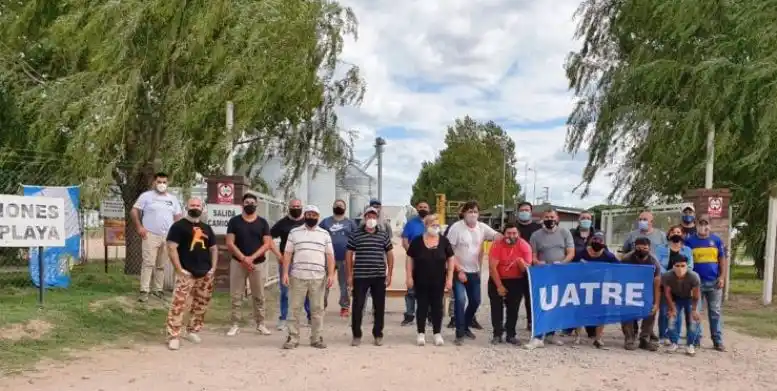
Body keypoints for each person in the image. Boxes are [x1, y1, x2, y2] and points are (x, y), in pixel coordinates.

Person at [164, 198, 217, 350]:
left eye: (198, 205)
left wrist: (212, 268)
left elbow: (213, 249)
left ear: (202, 208)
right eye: (192, 205)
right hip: (186, 274)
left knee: (201, 304)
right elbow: (171, 248)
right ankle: (173, 335)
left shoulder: (206, 228)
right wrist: (179, 269)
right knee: (179, 304)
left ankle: (192, 330)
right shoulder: (178, 226)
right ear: (187, 207)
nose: (195, 207)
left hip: (205, 273)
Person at [445, 200, 500, 346]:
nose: (473, 214)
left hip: (474, 271)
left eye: (475, 211)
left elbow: (496, 236)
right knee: (461, 300)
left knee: (476, 301)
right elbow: (449, 252)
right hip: (459, 271)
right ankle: (459, 333)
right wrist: (459, 270)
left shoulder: (482, 227)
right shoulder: (456, 228)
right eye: (470, 211)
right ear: (463, 213)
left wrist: (509, 237)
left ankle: (466, 324)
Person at [281, 205, 335, 349]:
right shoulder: (294, 232)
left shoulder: (324, 234)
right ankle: (292, 338)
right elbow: (287, 254)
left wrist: (331, 274)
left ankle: (316, 338)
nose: (311, 217)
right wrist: (285, 273)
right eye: (309, 214)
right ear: (304, 216)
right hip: (298, 276)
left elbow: (330, 256)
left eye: (314, 215)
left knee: (317, 309)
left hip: (318, 278)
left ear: (318, 217)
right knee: (294, 309)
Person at [524, 209, 575, 350]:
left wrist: (563, 263)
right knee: (541, 303)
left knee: (556, 304)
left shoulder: (565, 233)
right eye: (546, 217)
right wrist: (536, 262)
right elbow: (532, 255)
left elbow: (571, 252)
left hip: (560, 273)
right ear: (542, 219)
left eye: (552, 217)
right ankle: (538, 336)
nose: (549, 219)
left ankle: (551, 334)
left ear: (557, 218)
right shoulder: (536, 235)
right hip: (543, 274)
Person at [225, 193, 274, 337]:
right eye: (247, 202)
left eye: (252, 202)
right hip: (237, 263)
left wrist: (251, 258)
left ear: (257, 204)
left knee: (259, 295)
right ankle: (235, 324)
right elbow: (229, 243)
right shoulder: (234, 221)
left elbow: (267, 244)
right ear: (242, 204)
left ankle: (261, 324)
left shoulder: (263, 223)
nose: (250, 204)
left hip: (257, 264)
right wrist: (243, 259)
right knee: (236, 295)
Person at [346, 207, 394, 346]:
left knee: (379, 307)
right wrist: (349, 275)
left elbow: (390, 254)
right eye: (369, 216)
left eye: (374, 216)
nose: (371, 219)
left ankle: (378, 334)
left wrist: (389, 274)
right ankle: (356, 335)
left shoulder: (383, 235)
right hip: (360, 276)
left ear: (377, 218)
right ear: (364, 217)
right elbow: (348, 254)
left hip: (379, 276)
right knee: (357, 306)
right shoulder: (356, 234)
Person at [131, 172, 183, 302]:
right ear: (154, 182)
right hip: (150, 235)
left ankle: (158, 290)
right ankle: (144, 291)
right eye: (159, 182)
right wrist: (139, 227)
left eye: (164, 182)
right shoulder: (146, 196)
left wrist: (176, 233)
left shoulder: (172, 199)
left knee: (161, 264)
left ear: (168, 183)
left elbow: (178, 216)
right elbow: (134, 211)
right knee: (148, 263)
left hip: (167, 236)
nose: (162, 184)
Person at [406, 214, 455, 346]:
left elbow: (451, 259)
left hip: (438, 280)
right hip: (420, 279)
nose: (435, 227)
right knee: (422, 305)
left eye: (437, 224)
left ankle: (437, 333)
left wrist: (450, 278)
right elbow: (409, 258)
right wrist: (409, 276)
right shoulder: (417, 241)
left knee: (437, 306)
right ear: (426, 225)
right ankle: (420, 333)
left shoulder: (444, 241)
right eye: (433, 224)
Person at [685, 213, 728, 352]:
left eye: (706, 223)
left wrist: (722, 277)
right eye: (701, 223)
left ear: (710, 225)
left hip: (714, 283)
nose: (703, 226)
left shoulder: (717, 241)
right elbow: (685, 262)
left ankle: (717, 341)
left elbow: (722, 261)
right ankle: (695, 340)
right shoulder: (689, 242)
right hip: (696, 284)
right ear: (696, 225)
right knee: (696, 312)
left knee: (715, 312)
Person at [569, 232, 619, 348]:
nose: (597, 243)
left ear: (603, 244)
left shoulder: (609, 256)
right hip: (583, 286)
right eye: (595, 240)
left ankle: (598, 338)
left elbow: (619, 268)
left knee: (601, 312)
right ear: (591, 242)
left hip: (601, 287)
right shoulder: (582, 253)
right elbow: (571, 267)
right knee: (580, 311)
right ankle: (577, 337)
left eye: (600, 241)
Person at [487, 223, 532, 345]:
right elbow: (492, 268)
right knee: (496, 307)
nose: (511, 236)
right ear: (504, 234)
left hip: (516, 280)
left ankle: (511, 334)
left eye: (514, 233)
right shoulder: (497, 245)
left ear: (518, 234)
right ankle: (497, 334)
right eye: (508, 233)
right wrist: (499, 286)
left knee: (513, 309)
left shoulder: (524, 246)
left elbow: (527, 270)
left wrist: (521, 263)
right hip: (497, 278)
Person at [270, 199, 310, 330]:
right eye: (293, 206)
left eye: (298, 206)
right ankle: (283, 318)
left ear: (302, 207)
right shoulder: (282, 223)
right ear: (289, 208)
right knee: (285, 291)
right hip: (286, 262)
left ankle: (310, 317)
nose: (296, 208)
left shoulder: (307, 222)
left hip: (303, 261)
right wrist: (278, 255)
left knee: (306, 290)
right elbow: (268, 238)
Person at [655, 225, 695, 345]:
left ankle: (674, 336)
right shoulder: (660, 248)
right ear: (669, 235)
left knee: (677, 311)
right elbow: (658, 264)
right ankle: (663, 335)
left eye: (678, 232)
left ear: (682, 235)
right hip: (666, 281)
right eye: (673, 232)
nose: (675, 234)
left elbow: (690, 266)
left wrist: (680, 275)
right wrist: (670, 274)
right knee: (663, 310)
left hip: (681, 284)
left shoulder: (687, 250)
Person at [620, 237, 661, 351]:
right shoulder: (627, 259)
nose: (641, 249)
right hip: (629, 289)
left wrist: (656, 303)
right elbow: (619, 277)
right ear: (634, 247)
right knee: (626, 311)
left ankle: (644, 339)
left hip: (647, 290)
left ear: (649, 248)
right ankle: (629, 338)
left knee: (651, 311)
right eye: (638, 247)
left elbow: (657, 283)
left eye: (645, 248)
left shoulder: (654, 261)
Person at [319, 199, 358, 317]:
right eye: (336, 205)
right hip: (327, 258)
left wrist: (355, 255)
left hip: (345, 259)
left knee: (345, 284)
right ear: (333, 207)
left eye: (341, 205)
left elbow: (356, 240)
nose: (338, 207)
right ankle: (321, 306)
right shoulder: (325, 222)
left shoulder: (350, 223)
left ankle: (345, 307)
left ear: (345, 208)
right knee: (324, 283)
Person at [662, 255, 702, 356]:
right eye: (677, 266)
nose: (680, 268)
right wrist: (672, 308)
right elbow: (667, 293)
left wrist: (693, 310)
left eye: (683, 265)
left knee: (693, 321)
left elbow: (696, 295)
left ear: (687, 265)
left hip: (691, 299)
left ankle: (690, 345)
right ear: (673, 266)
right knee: (671, 319)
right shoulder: (667, 276)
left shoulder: (694, 276)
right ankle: (674, 343)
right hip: (676, 298)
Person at [400, 200, 431, 326]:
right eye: (420, 207)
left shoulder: (433, 224)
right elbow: (405, 241)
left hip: (430, 262)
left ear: (429, 209)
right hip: (413, 261)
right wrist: (413, 254)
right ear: (417, 209)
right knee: (411, 289)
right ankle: (409, 315)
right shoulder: (410, 224)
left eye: (425, 206)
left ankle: (429, 315)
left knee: (429, 289)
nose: (423, 208)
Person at [514, 201, 542, 331]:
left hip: (533, 268)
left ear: (531, 212)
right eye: (522, 210)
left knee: (531, 297)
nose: (524, 212)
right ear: (518, 212)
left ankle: (531, 322)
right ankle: (510, 323)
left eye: (527, 210)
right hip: (514, 267)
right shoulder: (512, 227)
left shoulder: (538, 228)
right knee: (513, 298)